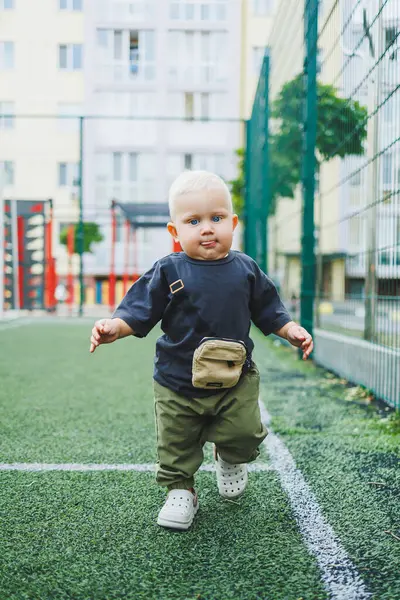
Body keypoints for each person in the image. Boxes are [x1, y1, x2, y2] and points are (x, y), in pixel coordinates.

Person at [89, 170, 313, 531]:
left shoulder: (245, 269)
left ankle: (230, 456)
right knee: (176, 443)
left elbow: (269, 310)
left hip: (234, 378)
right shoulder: (168, 270)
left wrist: (291, 330)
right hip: (177, 381)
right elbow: (137, 310)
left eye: (216, 218)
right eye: (194, 221)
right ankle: (181, 490)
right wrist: (114, 327)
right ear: (175, 232)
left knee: (244, 433)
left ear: (233, 222)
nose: (207, 228)